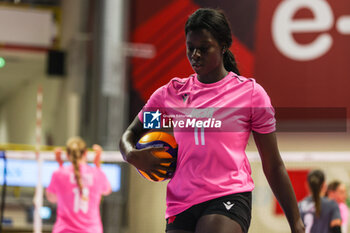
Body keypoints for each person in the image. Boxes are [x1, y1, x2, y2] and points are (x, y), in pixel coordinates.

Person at [120, 8, 304, 233]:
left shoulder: (250, 95)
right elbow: (131, 134)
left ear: (224, 46)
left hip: (229, 197)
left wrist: (296, 223)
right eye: (191, 48)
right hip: (181, 203)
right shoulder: (171, 96)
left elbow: (273, 164)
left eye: (204, 49)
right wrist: (132, 155)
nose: (195, 55)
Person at [46, 137, 112, 233]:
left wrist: (60, 165)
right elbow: (107, 190)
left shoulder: (59, 173)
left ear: (68, 155)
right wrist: (97, 164)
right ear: (85, 153)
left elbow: (52, 198)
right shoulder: (97, 173)